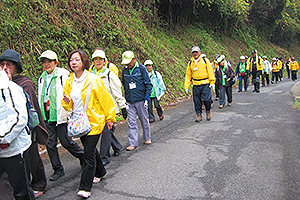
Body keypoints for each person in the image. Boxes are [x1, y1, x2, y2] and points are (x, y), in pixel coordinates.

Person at [62, 49, 116, 198]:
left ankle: (85, 187)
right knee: (89, 149)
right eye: (72, 60)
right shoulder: (69, 81)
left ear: (84, 61)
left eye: (77, 59)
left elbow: (105, 99)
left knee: (88, 154)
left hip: (94, 121)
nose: (74, 62)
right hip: (79, 122)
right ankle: (101, 171)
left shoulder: (93, 79)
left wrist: (110, 118)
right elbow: (67, 105)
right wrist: (67, 102)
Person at [0, 49, 49, 198]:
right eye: (2, 64)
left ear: (16, 67)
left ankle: (40, 184)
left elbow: (24, 113)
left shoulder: (22, 84)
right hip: (9, 141)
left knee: (32, 160)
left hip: (25, 132)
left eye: (9, 64)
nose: (5, 67)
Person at [38, 50, 84, 182]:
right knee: (50, 143)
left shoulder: (63, 75)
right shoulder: (42, 77)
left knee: (65, 142)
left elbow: (70, 93)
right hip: (48, 115)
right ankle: (58, 169)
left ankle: (83, 157)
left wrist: (70, 113)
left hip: (61, 114)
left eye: (49, 61)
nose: (46, 64)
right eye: (44, 62)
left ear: (55, 62)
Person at [0, 67, 35, 200]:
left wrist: (2, 137)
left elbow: (19, 119)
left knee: (22, 192)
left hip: (14, 151)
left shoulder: (9, 88)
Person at [90, 50, 127, 166]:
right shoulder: (90, 75)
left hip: (109, 109)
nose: (98, 62)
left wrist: (123, 107)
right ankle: (117, 146)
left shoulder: (110, 75)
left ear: (104, 61)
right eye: (96, 59)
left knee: (106, 132)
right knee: (106, 131)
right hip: (96, 109)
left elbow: (117, 92)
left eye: (100, 59)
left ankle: (104, 157)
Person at [121, 51, 152, 151]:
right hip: (129, 100)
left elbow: (148, 83)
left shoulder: (142, 69)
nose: (128, 65)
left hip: (141, 100)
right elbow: (124, 84)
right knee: (132, 122)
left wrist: (147, 96)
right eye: (126, 63)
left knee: (144, 120)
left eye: (129, 62)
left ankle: (147, 137)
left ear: (134, 59)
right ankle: (132, 142)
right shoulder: (124, 71)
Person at [184, 46, 215, 122]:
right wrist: (186, 86)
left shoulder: (205, 60)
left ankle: (208, 111)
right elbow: (188, 75)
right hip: (196, 84)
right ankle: (199, 115)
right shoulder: (190, 63)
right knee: (197, 101)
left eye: (196, 52)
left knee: (207, 100)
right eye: (194, 52)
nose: (195, 54)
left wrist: (212, 82)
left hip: (205, 83)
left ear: (199, 53)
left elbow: (210, 71)